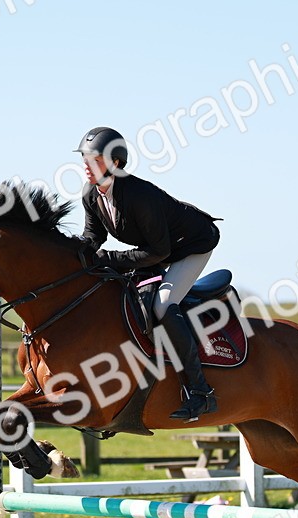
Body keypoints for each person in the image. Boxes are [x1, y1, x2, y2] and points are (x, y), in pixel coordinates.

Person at [74, 126, 222, 422]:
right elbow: (93, 237)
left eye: (95, 160)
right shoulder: (91, 194)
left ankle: (201, 392)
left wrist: (112, 258)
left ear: (115, 163)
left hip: (191, 245)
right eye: (85, 159)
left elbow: (158, 252)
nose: (87, 167)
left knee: (163, 305)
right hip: (157, 248)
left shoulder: (140, 195)